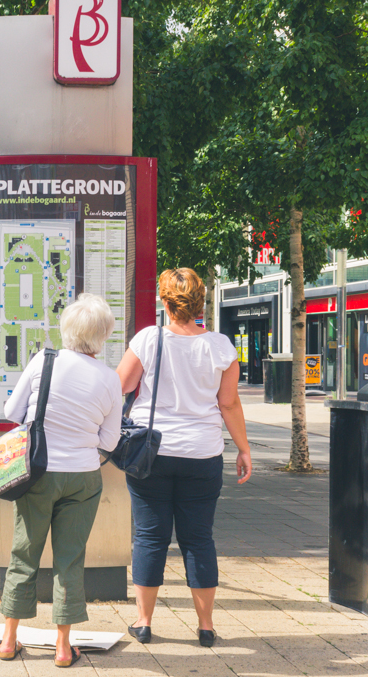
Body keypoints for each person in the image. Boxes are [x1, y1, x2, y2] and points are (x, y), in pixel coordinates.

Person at [116, 268, 253, 648]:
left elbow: (121, 385)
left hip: (151, 452)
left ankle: (143, 622)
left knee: (149, 535)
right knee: (198, 539)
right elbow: (228, 402)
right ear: (200, 302)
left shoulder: (148, 339)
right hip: (202, 453)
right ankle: (206, 626)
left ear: (165, 302)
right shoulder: (221, 346)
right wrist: (243, 447)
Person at [0, 294, 122, 668]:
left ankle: (8, 639)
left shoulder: (43, 362)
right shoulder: (110, 379)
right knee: (70, 558)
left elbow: (11, 412)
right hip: (84, 477)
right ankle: (64, 648)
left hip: (39, 472)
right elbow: (110, 441)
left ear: (67, 329)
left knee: (25, 551)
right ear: (102, 336)